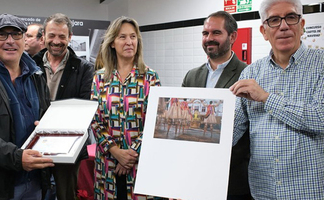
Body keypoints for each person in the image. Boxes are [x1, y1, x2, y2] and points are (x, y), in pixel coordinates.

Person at [230, 0, 324, 199]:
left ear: (302, 25)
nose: (283, 26)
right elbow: (232, 131)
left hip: (309, 192)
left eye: (291, 17)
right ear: (264, 31)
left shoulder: (321, 65)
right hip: (263, 192)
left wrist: (265, 98)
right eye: (274, 20)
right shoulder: (251, 72)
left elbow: (320, 118)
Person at [0, 13, 54, 199]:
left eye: (16, 34)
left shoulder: (36, 74)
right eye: (2, 35)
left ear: (24, 38)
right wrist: (16, 158)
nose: (10, 41)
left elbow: (46, 115)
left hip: (36, 180)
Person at [90, 16, 165, 200]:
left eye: (133, 36)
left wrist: (130, 155)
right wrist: (116, 152)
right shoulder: (100, 78)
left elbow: (157, 120)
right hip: (107, 164)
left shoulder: (150, 78)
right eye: (122, 37)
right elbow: (95, 120)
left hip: (140, 164)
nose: (129, 42)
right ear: (112, 43)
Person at [181, 11, 251, 200]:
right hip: (195, 176)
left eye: (216, 33)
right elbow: (183, 122)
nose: (209, 38)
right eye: (205, 33)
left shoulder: (248, 74)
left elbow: (253, 132)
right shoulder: (191, 76)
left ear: (232, 36)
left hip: (232, 180)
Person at [33, 13, 94, 200]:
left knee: (66, 194)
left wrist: (50, 124)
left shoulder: (84, 68)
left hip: (69, 147)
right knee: (36, 192)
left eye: (62, 36)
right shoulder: (29, 64)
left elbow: (86, 109)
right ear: (44, 36)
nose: (56, 41)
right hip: (34, 142)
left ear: (70, 37)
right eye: (52, 35)